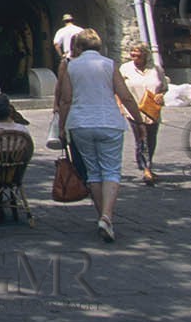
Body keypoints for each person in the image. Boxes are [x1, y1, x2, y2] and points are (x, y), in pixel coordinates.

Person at [56, 28, 144, 242]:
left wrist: (62, 126)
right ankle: (106, 216)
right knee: (111, 171)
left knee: (93, 172)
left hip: (81, 123)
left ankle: (104, 218)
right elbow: (125, 96)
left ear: (79, 46)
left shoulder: (70, 66)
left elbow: (66, 99)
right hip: (109, 122)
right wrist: (139, 121)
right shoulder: (109, 64)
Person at [119, 44, 167, 186]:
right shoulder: (125, 68)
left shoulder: (156, 69)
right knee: (142, 137)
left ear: (145, 54)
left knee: (151, 138)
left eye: (137, 52)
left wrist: (160, 95)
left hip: (152, 109)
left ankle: (147, 164)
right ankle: (146, 169)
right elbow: (118, 88)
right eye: (132, 51)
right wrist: (119, 105)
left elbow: (164, 87)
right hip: (133, 110)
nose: (133, 54)